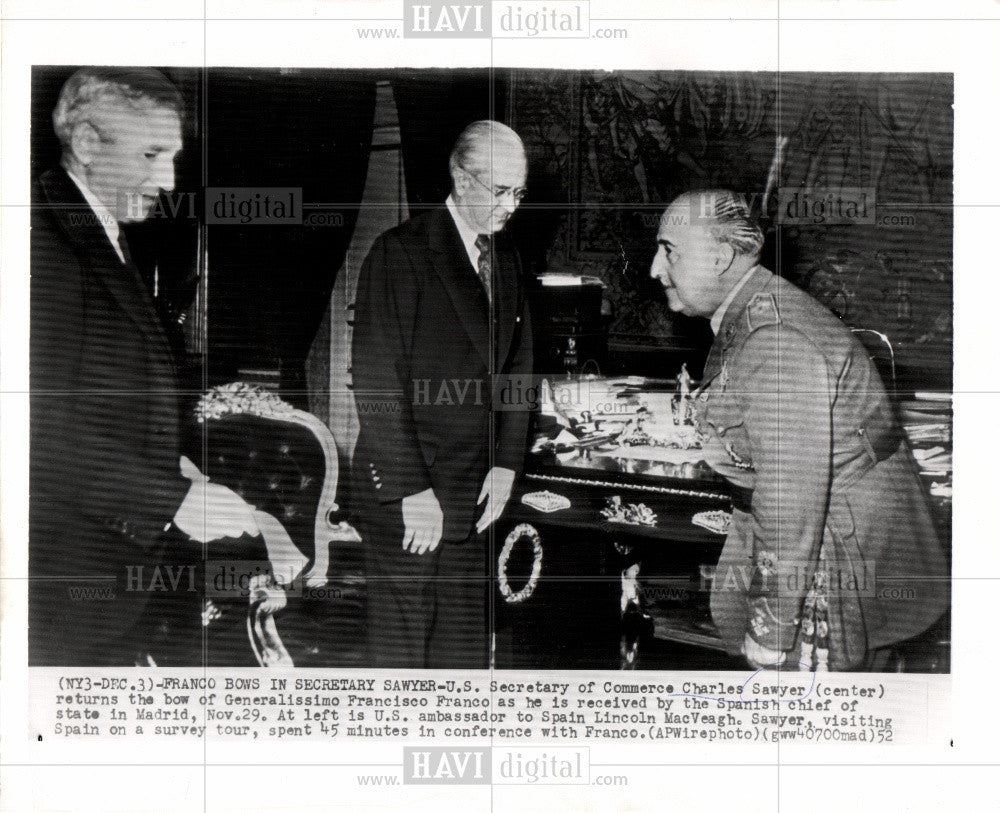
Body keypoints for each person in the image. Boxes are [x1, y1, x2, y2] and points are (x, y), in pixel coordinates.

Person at [649, 189, 948, 671]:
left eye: (669, 250)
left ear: (721, 256)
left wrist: (772, 627)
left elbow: (791, 497)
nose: (655, 270)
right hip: (830, 543)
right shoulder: (755, 315)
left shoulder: (774, 339)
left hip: (835, 562)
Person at [30, 67, 257, 666]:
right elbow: (31, 428)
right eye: (152, 154)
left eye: (174, 156)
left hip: (109, 579)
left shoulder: (104, 230)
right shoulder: (35, 239)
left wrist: (183, 473)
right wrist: (173, 500)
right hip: (57, 586)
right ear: (85, 144)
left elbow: (105, 401)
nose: (169, 180)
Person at [351, 120, 533, 668]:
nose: (511, 207)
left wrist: (504, 464)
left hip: (473, 494)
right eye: (501, 191)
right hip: (414, 496)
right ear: (460, 176)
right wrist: (410, 490)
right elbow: (378, 381)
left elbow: (520, 367)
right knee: (406, 660)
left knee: (461, 656)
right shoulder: (401, 252)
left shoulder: (507, 258)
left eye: (519, 193)